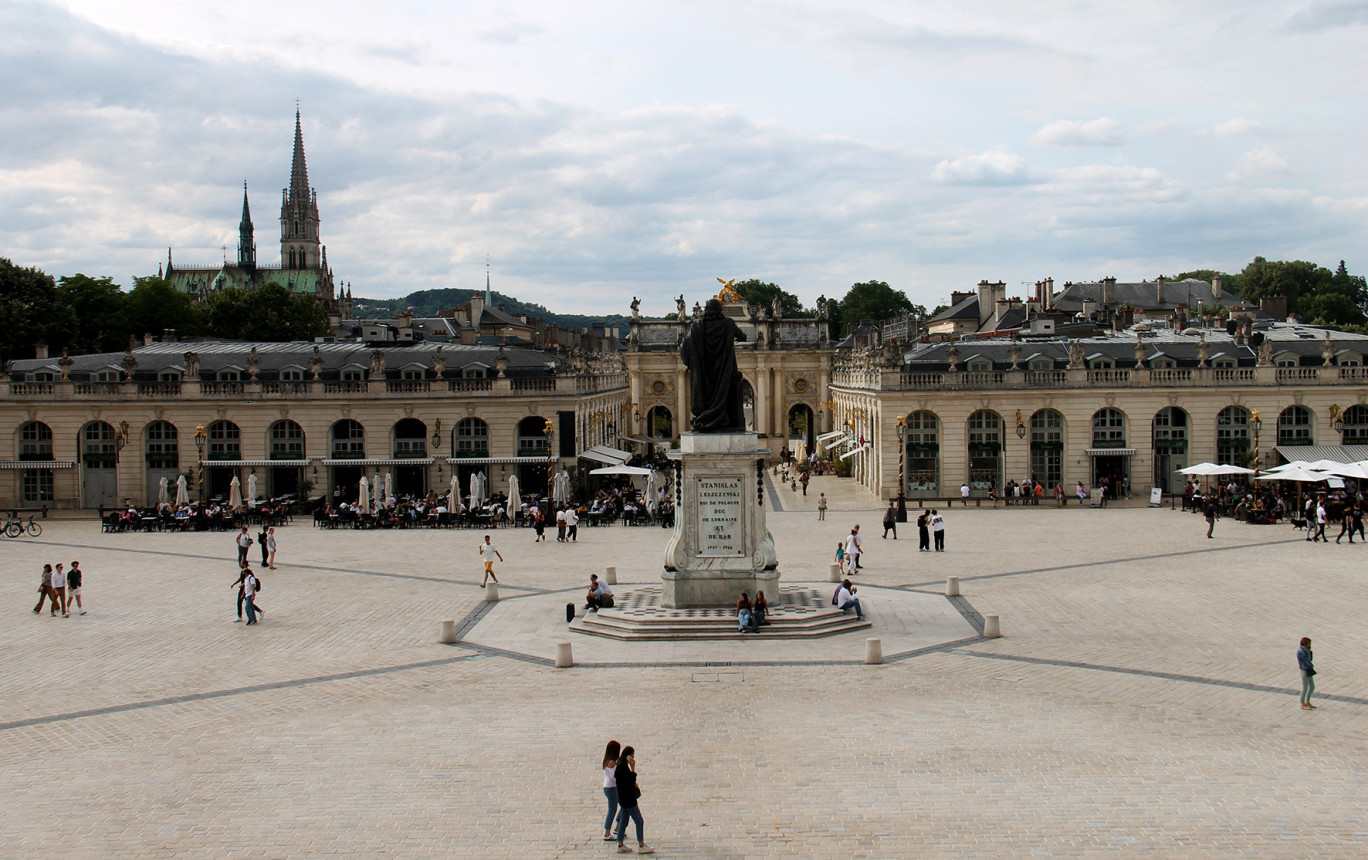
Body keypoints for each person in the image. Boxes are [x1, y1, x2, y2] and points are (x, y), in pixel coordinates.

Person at [613, 746, 653, 854]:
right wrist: (633, 769)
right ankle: (641, 845)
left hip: (622, 799)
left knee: (623, 822)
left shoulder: (619, 766)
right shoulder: (624, 768)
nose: (633, 759)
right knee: (639, 821)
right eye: (632, 756)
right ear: (628, 756)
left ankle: (620, 844)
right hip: (629, 800)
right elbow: (630, 782)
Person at [601, 740, 621, 842]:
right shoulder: (611, 763)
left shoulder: (607, 760)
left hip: (609, 787)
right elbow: (614, 777)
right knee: (612, 810)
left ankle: (618, 827)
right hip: (612, 787)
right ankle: (607, 833)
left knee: (623, 806)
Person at [1297, 636, 1316, 710]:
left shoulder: (1306, 650)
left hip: (1308, 669)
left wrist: (1310, 652)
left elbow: (1310, 659)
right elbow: (1307, 661)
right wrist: (1311, 665)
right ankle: (1302, 703)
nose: (1310, 644)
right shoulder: (1301, 651)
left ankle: (1307, 701)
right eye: (1309, 643)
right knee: (1305, 687)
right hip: (1304, 670)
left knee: (1312, 686)